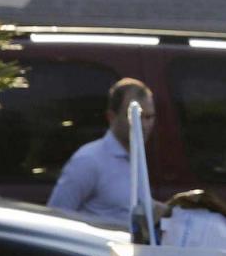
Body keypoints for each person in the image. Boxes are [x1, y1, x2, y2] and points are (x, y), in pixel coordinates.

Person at [49, 77, 158, 228]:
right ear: (111, 117)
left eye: (149, 117)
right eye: (135, 117)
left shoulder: (136, 159)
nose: (144, 125)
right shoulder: (88, 160)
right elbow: (56, 218)